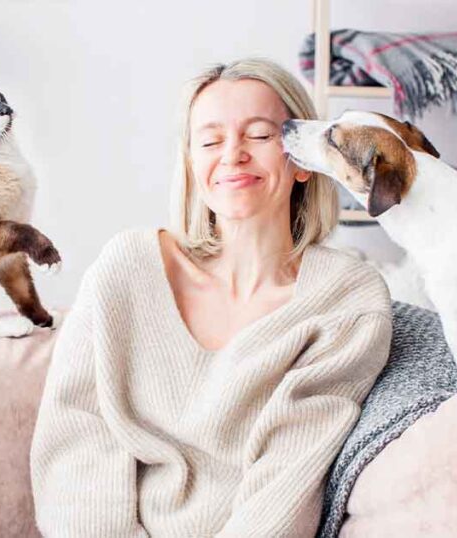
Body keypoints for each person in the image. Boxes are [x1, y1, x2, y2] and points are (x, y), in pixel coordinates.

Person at [30, 57, 392, 537]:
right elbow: (77, 445)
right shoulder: (128, 269)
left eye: (260, 135)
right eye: (210, 139)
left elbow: (289, 480)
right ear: (192, 163)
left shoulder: (345, 299)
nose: (233, 154)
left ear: (302, 159)